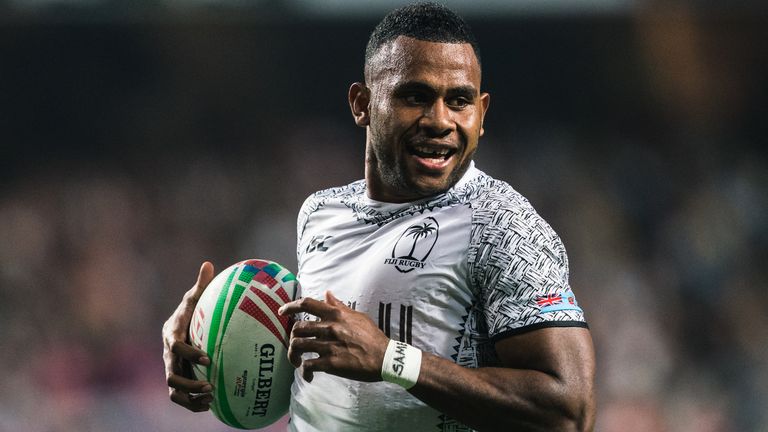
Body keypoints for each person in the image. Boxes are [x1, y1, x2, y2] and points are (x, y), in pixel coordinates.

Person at [163, 2, 596, 431]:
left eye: (459, 101)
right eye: (415, 96)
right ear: (362, 103)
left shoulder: (500, 223)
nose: (440, 120)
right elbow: (313, 375)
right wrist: (204, 349)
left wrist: (392, 358)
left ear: (481, 114)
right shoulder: (320, 213)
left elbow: (568, 412)